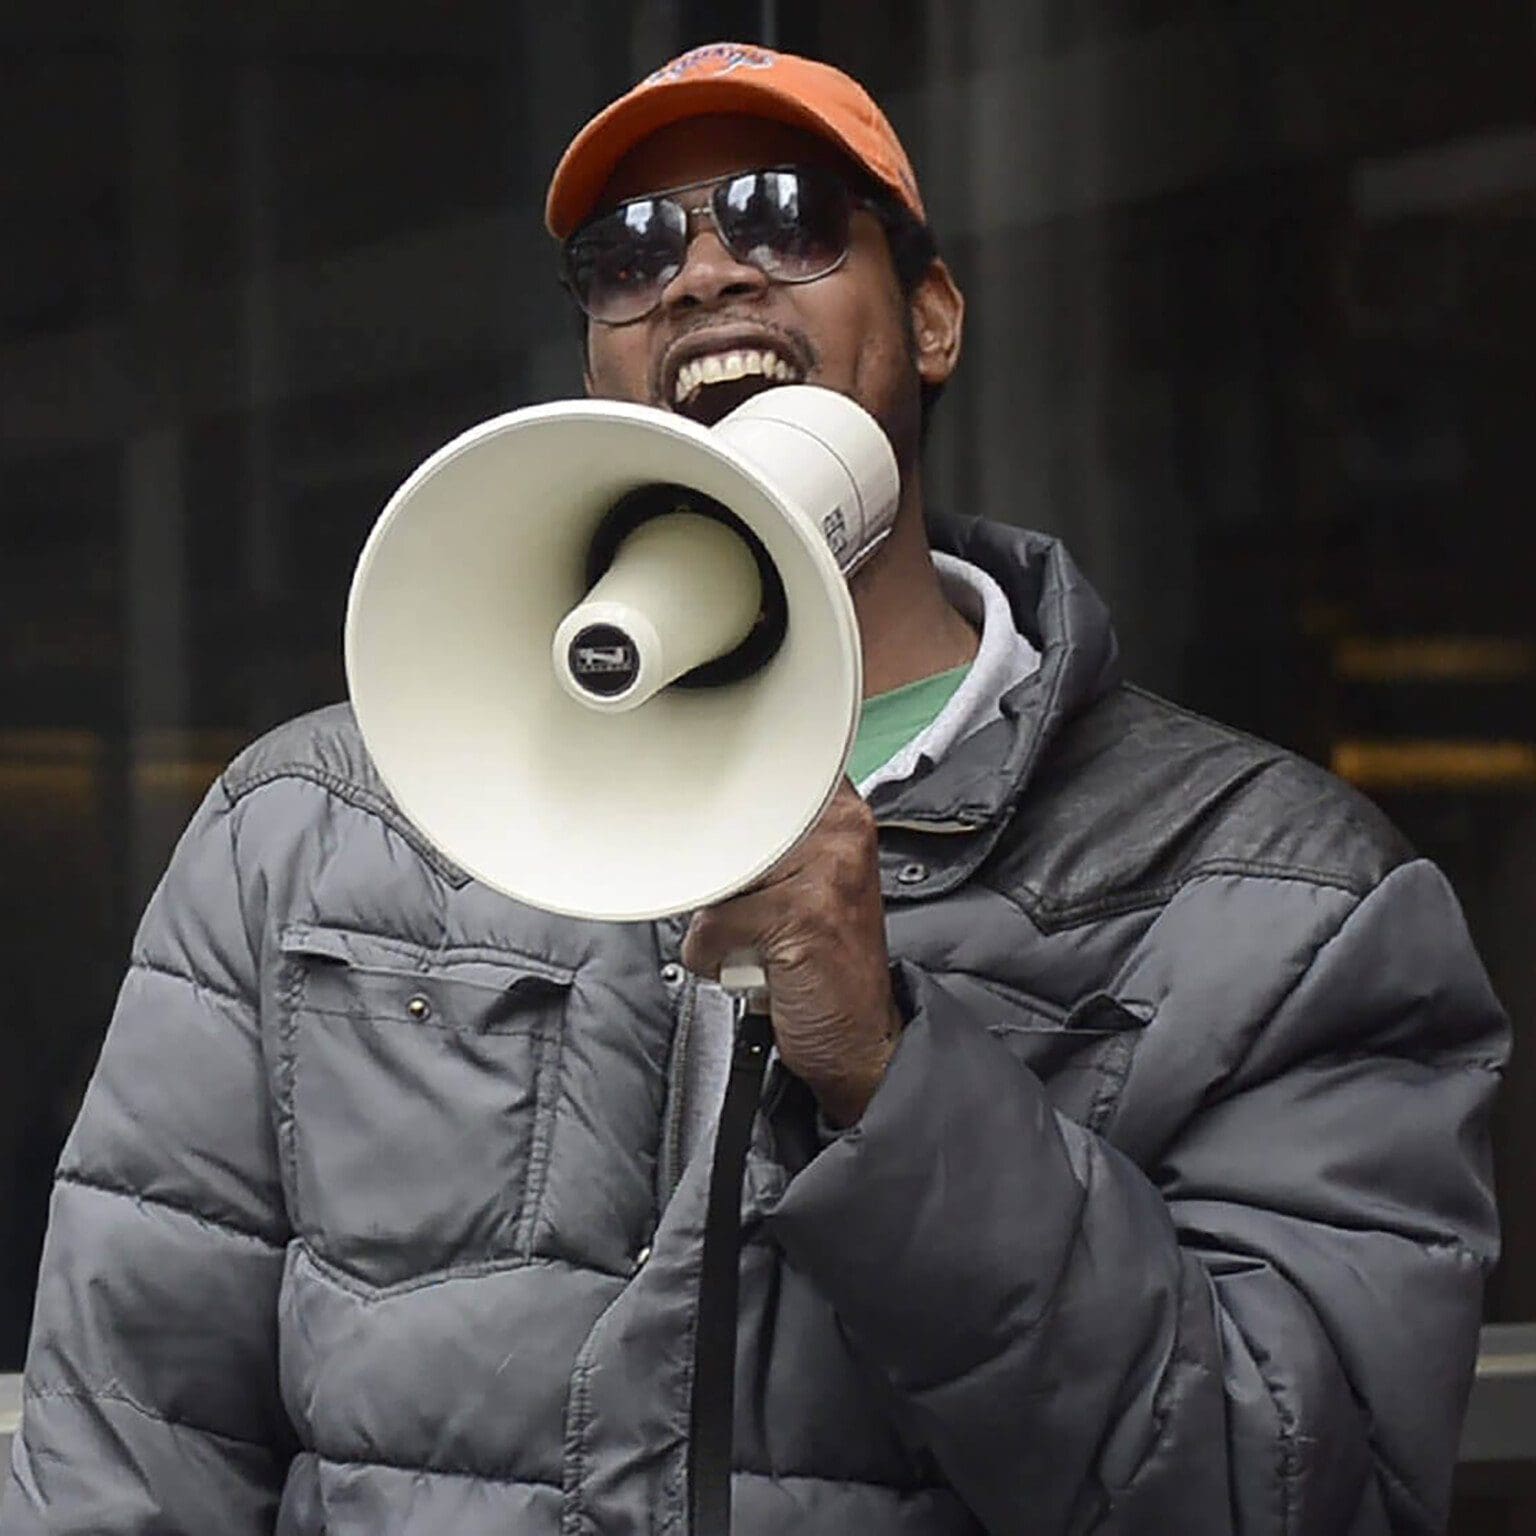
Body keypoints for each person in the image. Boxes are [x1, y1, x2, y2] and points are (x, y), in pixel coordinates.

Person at [2, 41, 1507, 1536]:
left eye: (787, 216)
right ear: (594, 365)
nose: (707, 272)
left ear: (932, 318)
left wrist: (892, 1077)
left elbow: (1290, 1493)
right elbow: (129, 1449)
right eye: (629, 252)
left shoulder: (1276, 900)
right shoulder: (314, 827)